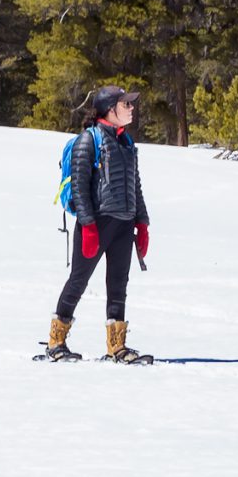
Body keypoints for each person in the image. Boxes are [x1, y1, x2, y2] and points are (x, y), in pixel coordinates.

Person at [39, 85, 153, 363]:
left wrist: (142, 222)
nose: (131, 108)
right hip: (97, 224)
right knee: (78, 280)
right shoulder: (87, 141)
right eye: (125, 104)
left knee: (118, 284)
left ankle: (117, 346)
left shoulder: (126, 142)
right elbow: (79, 187)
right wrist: (88, 225)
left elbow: (134, 185)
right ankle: (56, 341)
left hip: (124, 224)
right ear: (110, 109)